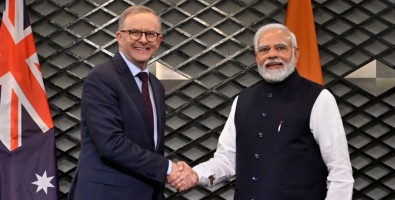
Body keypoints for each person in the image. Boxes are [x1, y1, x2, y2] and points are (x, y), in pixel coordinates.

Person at [168, 23, 354, 200]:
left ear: (296, 54)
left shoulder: (319, 98)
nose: (272, 55)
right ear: (257, 56)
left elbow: (340, 172)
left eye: (281, 48)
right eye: (264, 50)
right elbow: (227, 160)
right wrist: (195, 174)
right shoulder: (242, 101)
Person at [67, 5, 185, 200]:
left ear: (159, 40)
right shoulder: (102, 77)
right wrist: (169, 168)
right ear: (119, 37)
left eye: (150, 34)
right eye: (135, 32)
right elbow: (110, 143)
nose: (143, 40)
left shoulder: (155, 85)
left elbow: (150, 144)